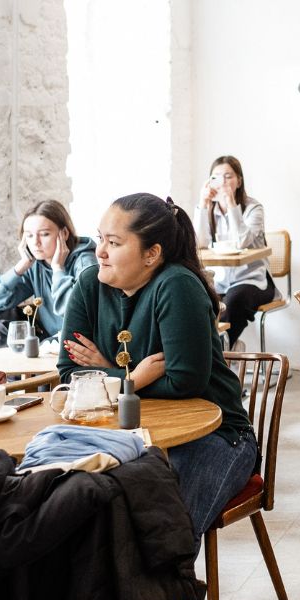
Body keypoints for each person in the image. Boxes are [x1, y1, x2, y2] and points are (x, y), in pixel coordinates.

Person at [58, 193, 255, 539]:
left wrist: (108, 374)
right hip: (128, 435)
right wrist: (132, 377)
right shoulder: (89, 284)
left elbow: (184, 382)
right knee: (71, 503)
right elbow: (70, 375)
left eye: (114, 242)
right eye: (100, 238)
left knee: (163, 530)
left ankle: (174, 595)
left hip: (213, 436)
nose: (99, 251)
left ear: (152, 254)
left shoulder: (176, 284)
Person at [0, 200, 97, 346]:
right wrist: (20, 267)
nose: (35, 242)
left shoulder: (85, 261)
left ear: (64, 233)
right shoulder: (36, 266)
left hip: (85, 346)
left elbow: (76, 312)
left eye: (44, 234)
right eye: (29, 235)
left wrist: (58, 269)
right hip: (54, 346)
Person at [193, 155, 279, 350]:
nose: (222, 183)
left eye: (228, 177)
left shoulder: (253, 208)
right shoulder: (209, 209)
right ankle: (228, 348)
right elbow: (200, 243)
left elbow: (242, 242)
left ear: (239, 181)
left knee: (235, 300)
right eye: (216, 177)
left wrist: (231, 203)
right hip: (221, 281)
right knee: (197, 299)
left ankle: (222, 350)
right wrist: (202, 204)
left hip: (254, 280)